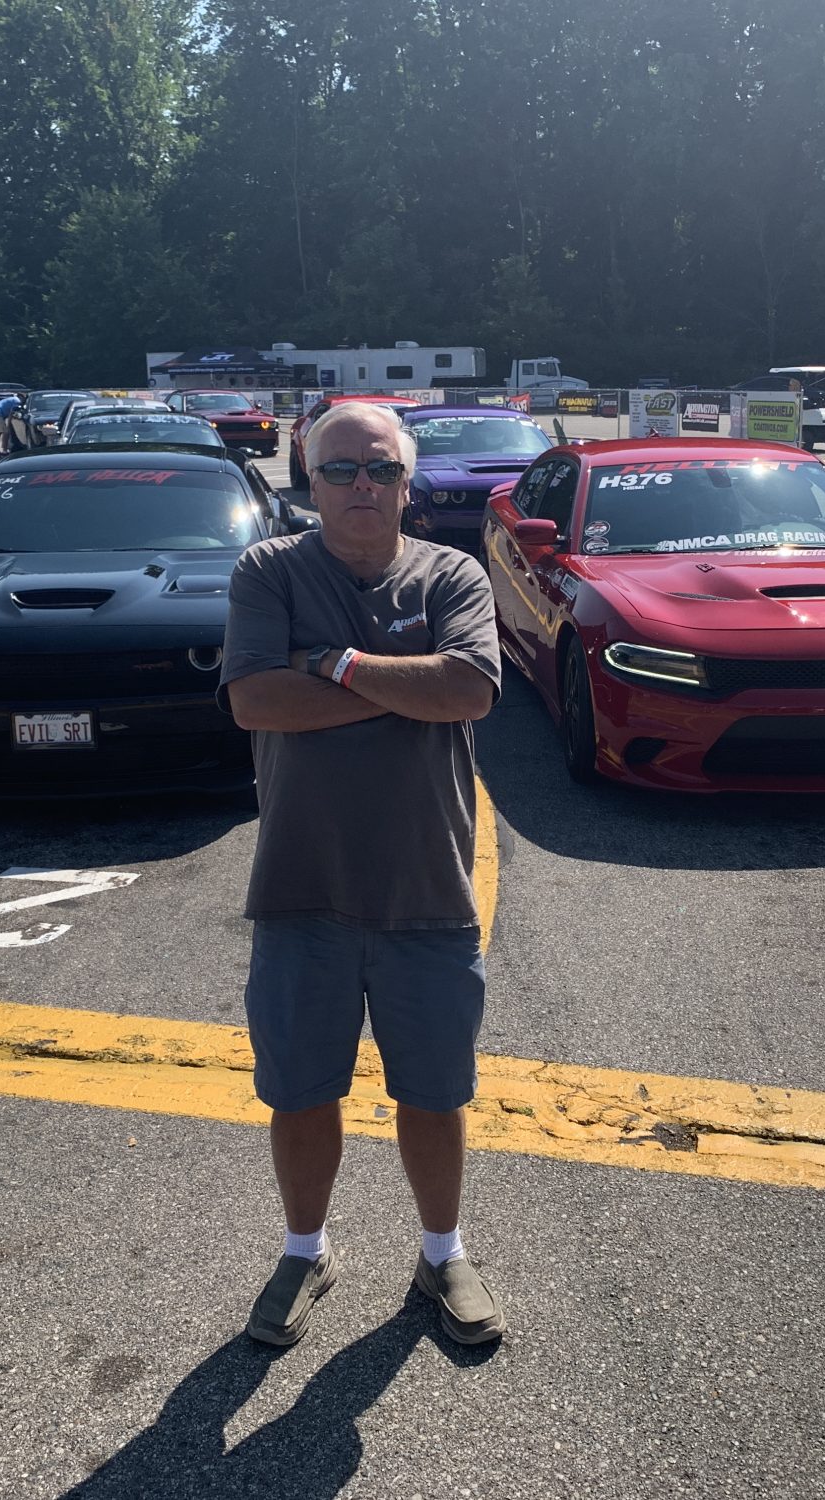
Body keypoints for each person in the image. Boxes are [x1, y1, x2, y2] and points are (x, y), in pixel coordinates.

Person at [219, 400, 505, 1349]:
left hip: (428, 890)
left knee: (435, 1092)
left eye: (379, 469)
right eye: (339, 470)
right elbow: (257, 701)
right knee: (301, 1092)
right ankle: (305, 1250)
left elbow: (468, 688)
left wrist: (334, 664)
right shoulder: (269, 569)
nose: (360, 486)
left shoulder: (453, 573)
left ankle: (442, 1254)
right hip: (302, 887)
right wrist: (397, 689)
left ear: (406, 482)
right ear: (309, 481)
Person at [0, 391, 23, 456]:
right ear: (21, 397)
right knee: (6, 432)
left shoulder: (12, 399)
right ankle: (4, 451)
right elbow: (11, 414)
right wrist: (9, 425)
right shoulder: (17, 401)